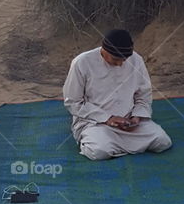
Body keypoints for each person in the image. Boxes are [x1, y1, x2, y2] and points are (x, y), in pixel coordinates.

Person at [63, 28, 172, 161]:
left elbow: (143, 95)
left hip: (128, 121)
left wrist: (136, 117)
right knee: (99, 152)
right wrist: (107, 118)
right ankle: (100, 141)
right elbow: (73, 102)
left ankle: (116, 147)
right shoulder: (82, 63)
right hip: (95, 123)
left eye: (124, 59)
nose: (120, 64)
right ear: (104, 49)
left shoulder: (136, 60)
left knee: (163, 142)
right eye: (116, 59)